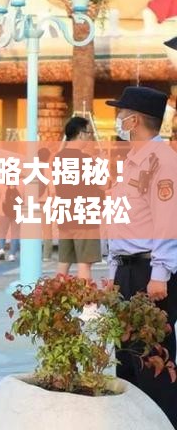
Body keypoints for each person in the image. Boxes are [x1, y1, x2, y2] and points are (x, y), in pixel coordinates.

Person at [106, 86, 177, 426]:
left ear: (134, 120)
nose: (118, 120)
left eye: (121, 114)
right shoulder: (134, 160)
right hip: (127, 271)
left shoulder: (162, 161)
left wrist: (160, 272)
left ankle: (163, 423)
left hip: (149, 273)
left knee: (152, 362)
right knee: (127, 361)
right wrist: (113, 271)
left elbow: (168, 219)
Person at [55, 116, 102, 280]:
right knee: (85, 264)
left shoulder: (58, 158)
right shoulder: (86, 160)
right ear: (81, 133)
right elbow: (100, 186)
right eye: (89, 133)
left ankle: (55, 294)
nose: (89, 137)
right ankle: (86, 297)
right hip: (84, 215)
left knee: (64, 262)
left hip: (65, 214)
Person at [0, 184, 20, 262]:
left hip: (3, 212)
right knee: (15, 233)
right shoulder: (21, 185)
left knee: (2, 232)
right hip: (17, 212)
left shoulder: (1, 186)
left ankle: (1, 249)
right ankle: (12, 254)